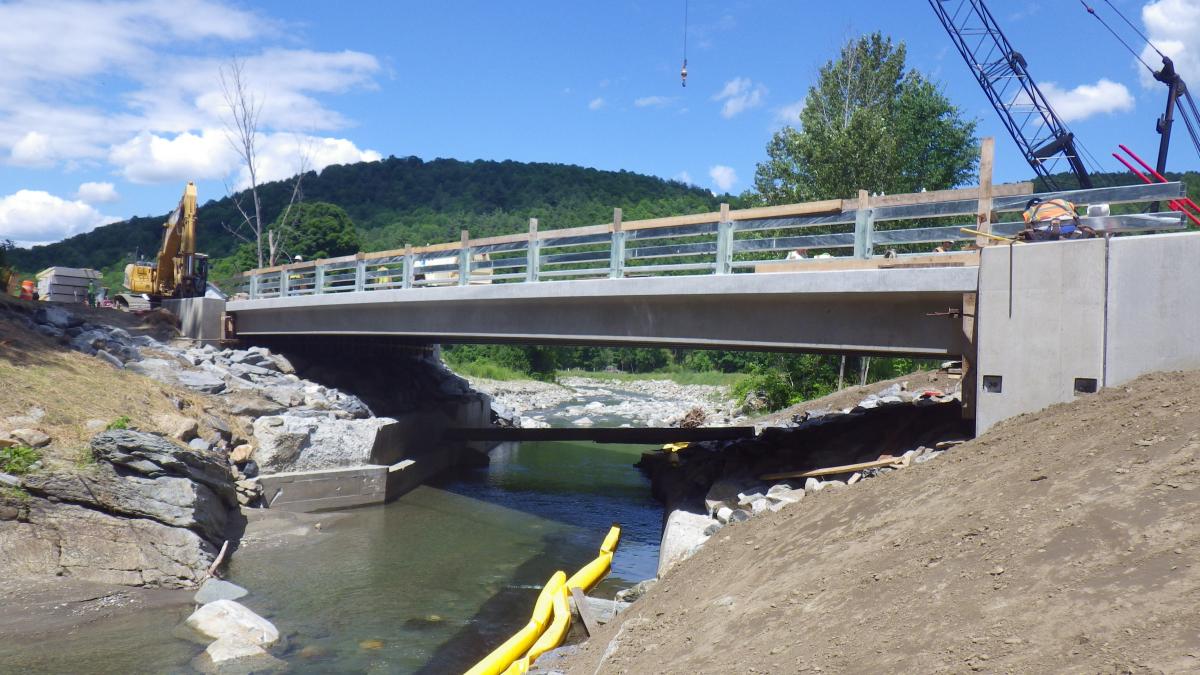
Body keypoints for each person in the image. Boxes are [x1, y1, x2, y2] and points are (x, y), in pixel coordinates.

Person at [1017, 197, 1097, 241]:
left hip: (1045, 232)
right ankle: (1070, 237)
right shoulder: (1061, 202)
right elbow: (1075, 215)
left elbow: (1028, 227)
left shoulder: (1030, 211)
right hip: (1071, 229)